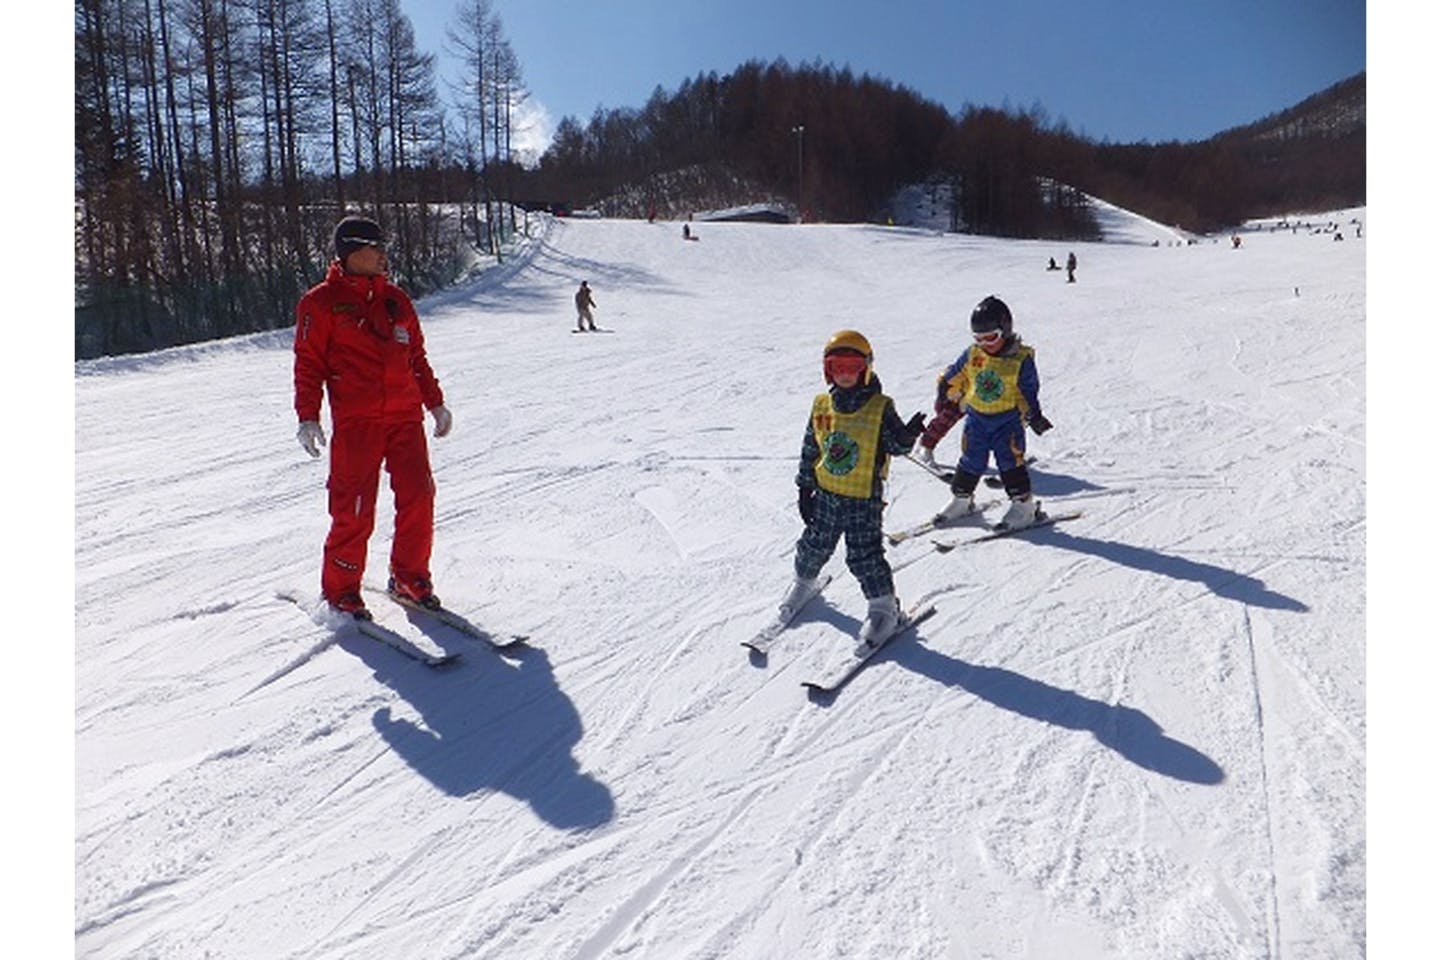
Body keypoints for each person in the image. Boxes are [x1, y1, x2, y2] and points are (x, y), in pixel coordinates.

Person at [293, 215, 454, 619]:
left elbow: (416, 358)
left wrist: (434, 402)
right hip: (357, 424)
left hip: (405, 420)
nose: (384, 255)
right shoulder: (320, 303)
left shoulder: (396, 300)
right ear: (352, 252)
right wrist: (307, 416)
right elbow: (308, 364)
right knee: (355, 507)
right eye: (375, 247)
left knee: (419, 495)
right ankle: (342, 589)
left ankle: (409, 576)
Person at [780, 330, 927, 653]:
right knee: (813, 544)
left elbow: (894, 447)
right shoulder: (822, 404)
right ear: (827, 370)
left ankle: (883, 609)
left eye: (852, 365)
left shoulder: (879, 406)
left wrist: (907, 434)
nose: (845, 374)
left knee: (863, 556)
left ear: (866, 368)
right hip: (827, 495)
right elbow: (811, 447)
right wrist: (805, 487)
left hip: (863, 499)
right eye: (836, 366)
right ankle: (803, 583)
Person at [915, 296, 1052, 531]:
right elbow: (956, 374)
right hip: (976, 420)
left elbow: (1029, 390)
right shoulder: (973, 354)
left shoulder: (1020, 359)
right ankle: (962, 500)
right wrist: (945, 388)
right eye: (979, 338)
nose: (985, 343)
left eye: (990, 337)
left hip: (1006, 421)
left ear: (1005, 331)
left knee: (1010, 462)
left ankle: (1024, 507)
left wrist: (1034, 415)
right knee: (970, 461)